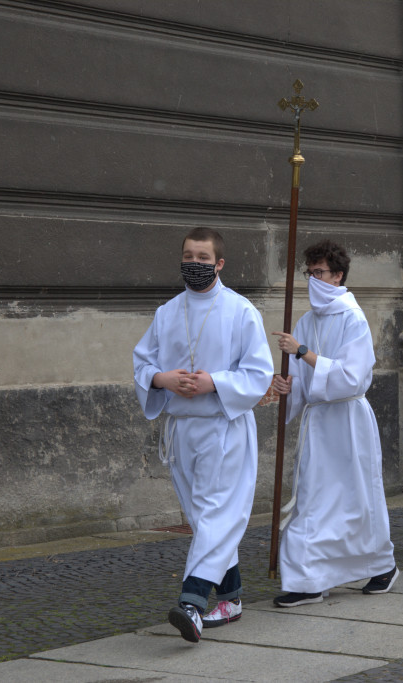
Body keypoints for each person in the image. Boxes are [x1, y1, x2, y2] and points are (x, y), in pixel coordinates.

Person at [133, 228, 274, 643]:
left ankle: (191, 604)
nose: (194, 263)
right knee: (204, 520)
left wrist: (214, 382)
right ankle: (230, 599)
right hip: (182, 431)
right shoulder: (167, 312)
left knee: (216, 514)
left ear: (219, 263)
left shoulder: (240, 310)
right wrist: (163, 378)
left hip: (223, 427)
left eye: (203, 257)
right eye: (188, 256)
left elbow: (258, 372)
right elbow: (142, 363)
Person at [270, 240, 399, 608]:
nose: (313, 279)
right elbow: (297, 378)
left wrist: (303, 352)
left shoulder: (352, 318)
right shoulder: (306, 321)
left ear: (338, 276)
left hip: (347, 420)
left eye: (320, 273)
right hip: (318, 423)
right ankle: (311, 578)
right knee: (312, 499)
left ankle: (381, 565)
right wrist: (285, 386)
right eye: (309, 273)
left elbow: (352, 377)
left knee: (357, 499)